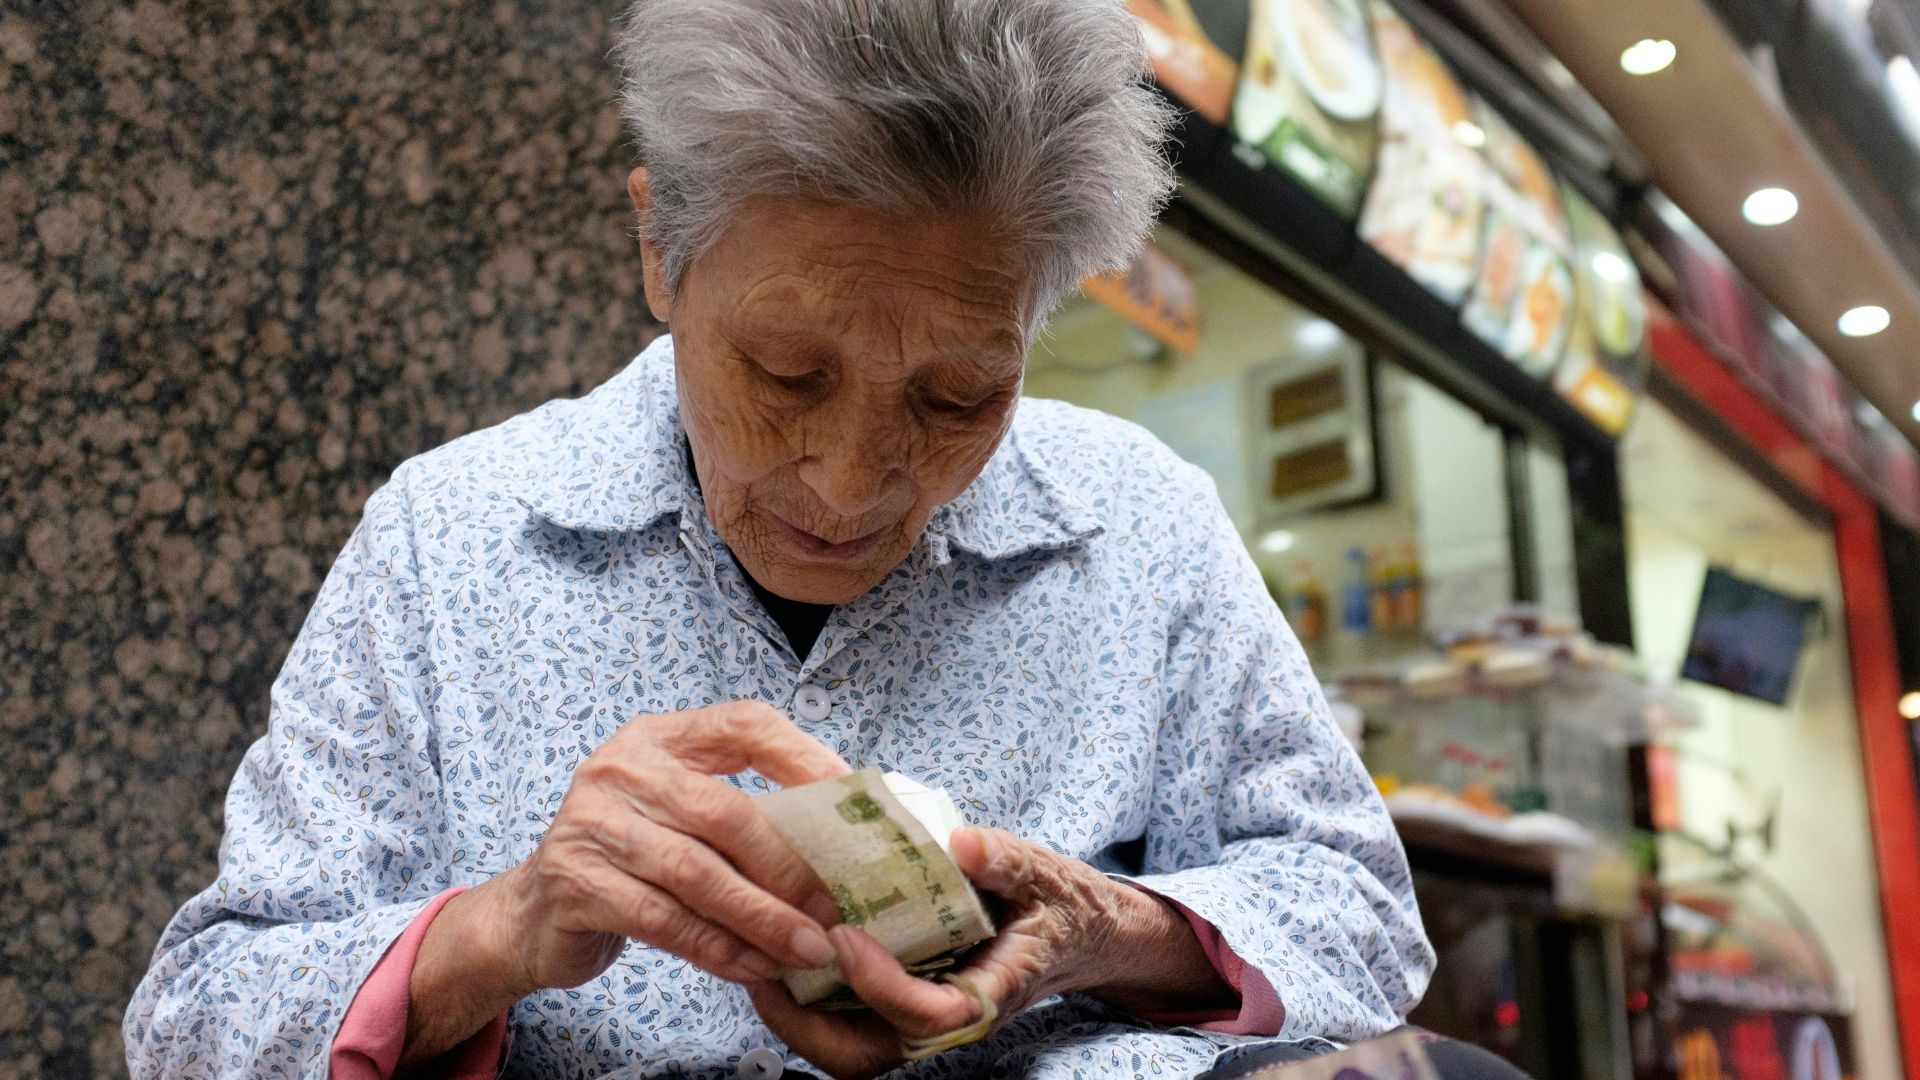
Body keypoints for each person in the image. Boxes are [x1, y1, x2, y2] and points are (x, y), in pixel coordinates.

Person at [124, 1, 1437, 1077]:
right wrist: (508, 926)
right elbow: (198, 1024)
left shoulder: (1137, 522)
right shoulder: (454, 540)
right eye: (786, 373)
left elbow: (1364, 916)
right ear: (660, 249)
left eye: (956, 397)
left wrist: (1104, 928)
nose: (852, 483)